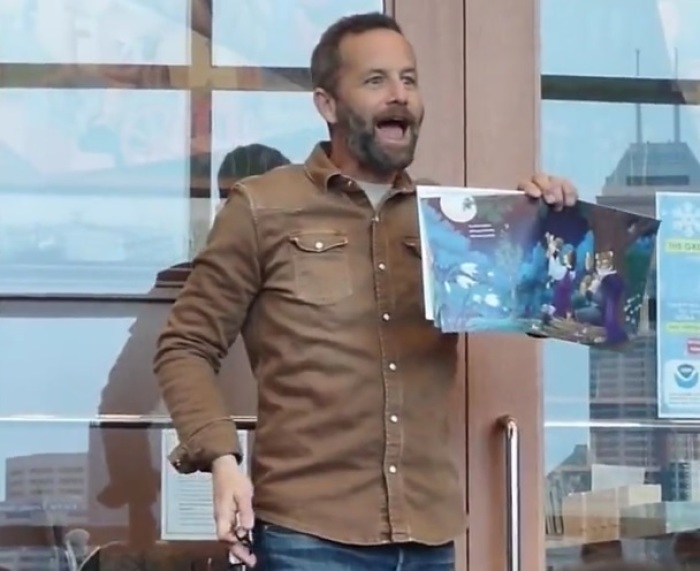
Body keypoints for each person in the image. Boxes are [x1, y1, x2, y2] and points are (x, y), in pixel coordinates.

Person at [153, 12, 578, 571]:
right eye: (376, 81)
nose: (399, 95)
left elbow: (560, 312)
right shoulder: (262, 207)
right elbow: (185, 347)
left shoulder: (453, 221)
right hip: (308, 539)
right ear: (328, 105)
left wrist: (549, 228)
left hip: (429, 539)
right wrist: (223, 459)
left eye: (409, 79)